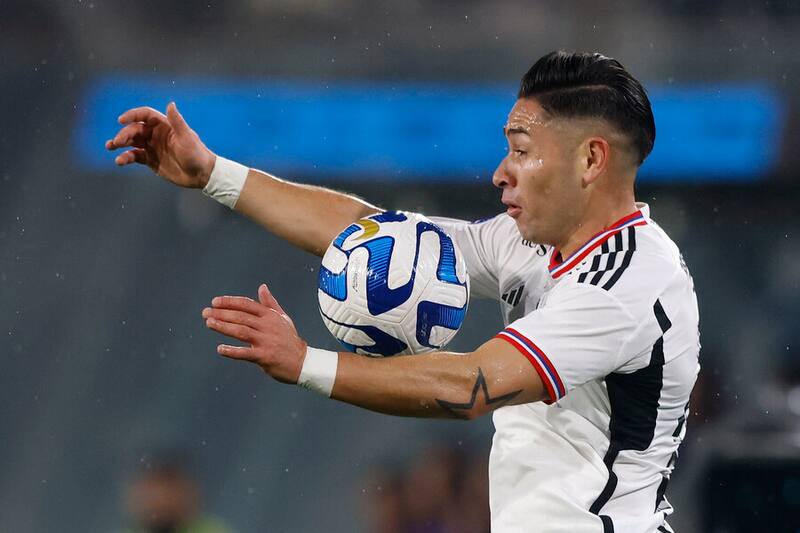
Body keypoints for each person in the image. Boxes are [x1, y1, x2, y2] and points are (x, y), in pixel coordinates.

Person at [107, 51, 700, 533]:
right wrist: (212, 174)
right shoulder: (531, 244)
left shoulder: (628, 279)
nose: (501, 171)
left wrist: (306, 363)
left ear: (591, 159)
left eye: (521, 151)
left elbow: (471, 385)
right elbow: (372, 235)